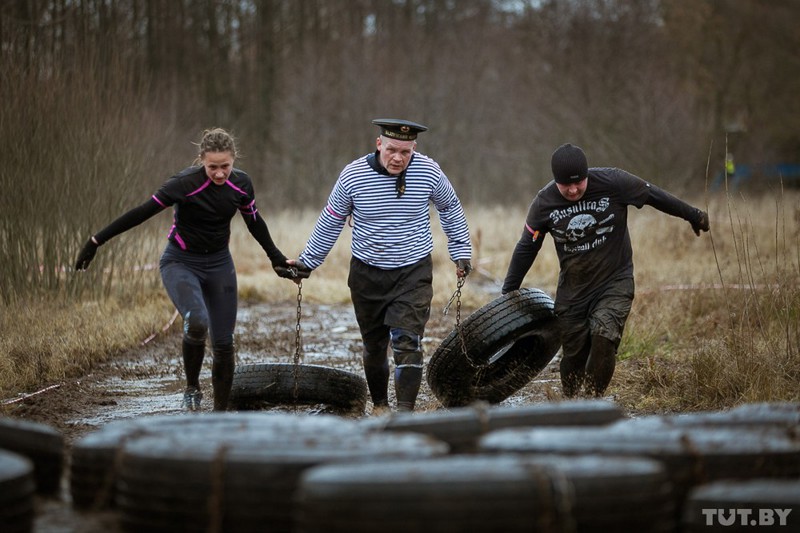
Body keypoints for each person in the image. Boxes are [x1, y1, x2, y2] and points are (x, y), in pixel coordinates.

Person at [74, 128, 303, 411]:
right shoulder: (184, 183)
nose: (219, 174)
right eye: (212, 167)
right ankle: (192, 388)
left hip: (219, 264)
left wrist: (276, 259)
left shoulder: (241, 184)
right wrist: (96, 241)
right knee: (196, 321)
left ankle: (220, 413)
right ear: (201, 161)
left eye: (225, 167)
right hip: (180, 262)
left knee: (223, 343)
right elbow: (141, 212)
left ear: (234, 160)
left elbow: (255, 222)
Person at [292, 118, 472, 413]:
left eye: (405, 151)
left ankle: (404, 414)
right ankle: (380, 405)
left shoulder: (428, 171)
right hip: (367, 273)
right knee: (374, 346)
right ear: (379, 145)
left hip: (413, 271)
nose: (398, 158)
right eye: (391, 150)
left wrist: (461, 251)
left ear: (414, 148)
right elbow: (331, 218)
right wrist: (308, 262)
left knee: (407, 341)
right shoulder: (353, 176)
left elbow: (450, 206)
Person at [502, 143, 709, 398]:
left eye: (579, 182)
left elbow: (654, 195)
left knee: (604, 337)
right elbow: (527, 246)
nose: (574, 189)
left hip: (615, 281)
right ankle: (570, 402)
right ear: (556, 181)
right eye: (566, 185)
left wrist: (692, 214)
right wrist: (509, 291)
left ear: (587, 174)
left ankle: (592, 401)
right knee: (573, 356)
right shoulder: (544, 202)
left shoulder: (614, 182)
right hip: (573, 291)